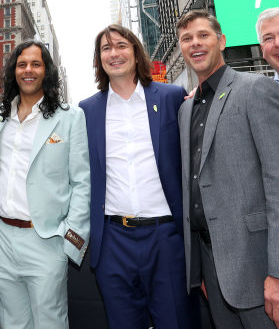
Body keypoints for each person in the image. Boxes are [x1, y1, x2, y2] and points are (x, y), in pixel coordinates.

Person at [177, 10, 279, 329]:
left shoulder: (256, 89)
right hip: (212, 268)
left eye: (203, 35)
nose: (195, 44)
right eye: (187, 39)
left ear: (221, 41)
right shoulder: (186, 109)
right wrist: (201, 269)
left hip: (261, 268)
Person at [78, 24, 199, 329]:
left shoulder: (172, 97)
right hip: (113, 241)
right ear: (99, 59)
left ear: (135, 51)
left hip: (166, 238)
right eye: (106, 48)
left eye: (121, 45)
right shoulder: (87, 110)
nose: (114, 53)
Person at [0, 40, 89, 329]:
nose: (28, 70)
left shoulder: (70, 117)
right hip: (2, 239)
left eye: (36, 64)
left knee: (50, 323)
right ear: (13, 71)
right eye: (22, 64)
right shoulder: (0, 115)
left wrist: (69, 242)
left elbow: (82, 183)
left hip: (47, 240)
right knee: (12, 324)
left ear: (47, 71)